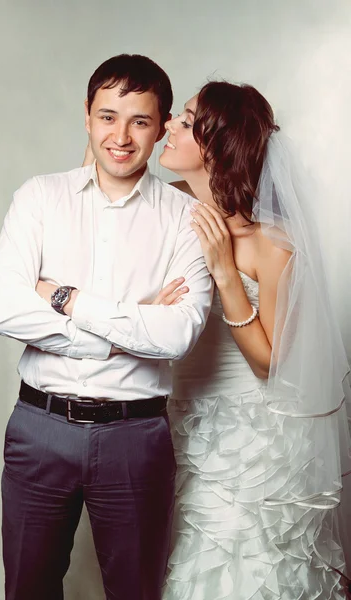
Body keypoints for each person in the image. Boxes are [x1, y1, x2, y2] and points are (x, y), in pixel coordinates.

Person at [0, 53, 213, 600]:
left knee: (136, 591)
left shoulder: (185, 218)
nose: (121, 136)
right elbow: (6, 310)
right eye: (108, 116)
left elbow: (177, 334)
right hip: (39, 430)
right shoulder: (38, 198)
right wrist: (125, 332)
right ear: (86, 117)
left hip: (135, 438)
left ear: (161, 128)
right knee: (27, 589)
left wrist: (66, 298)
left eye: (139, 121)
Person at [157, 82, 351, 599]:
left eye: (186, 119)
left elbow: (271, 363)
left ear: (218, 144)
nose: (170, 124)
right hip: (174, 419)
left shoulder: (273, 243)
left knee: (234, 565)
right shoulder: (170, 208)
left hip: (248, 441)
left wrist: (224, 274)